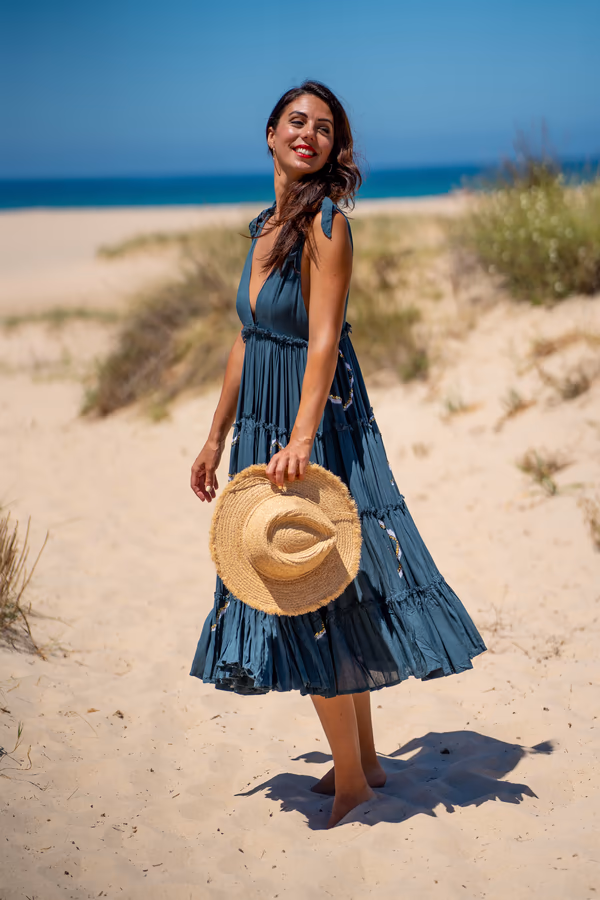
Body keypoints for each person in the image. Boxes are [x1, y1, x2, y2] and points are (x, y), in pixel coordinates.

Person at [190, 80, 487, 828]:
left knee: (304, 588)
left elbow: (323, 340)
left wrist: (299, 436)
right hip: (263, 422)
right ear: (269, 134)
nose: (309, 135)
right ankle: (369, 763)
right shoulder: (265, 227)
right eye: (297, 122)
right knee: (327, 585)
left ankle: (353, 783)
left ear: (333, 147)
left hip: (310, 424)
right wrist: (215, 434)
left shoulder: (327, 224)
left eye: (323, 128)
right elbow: (247, 338)